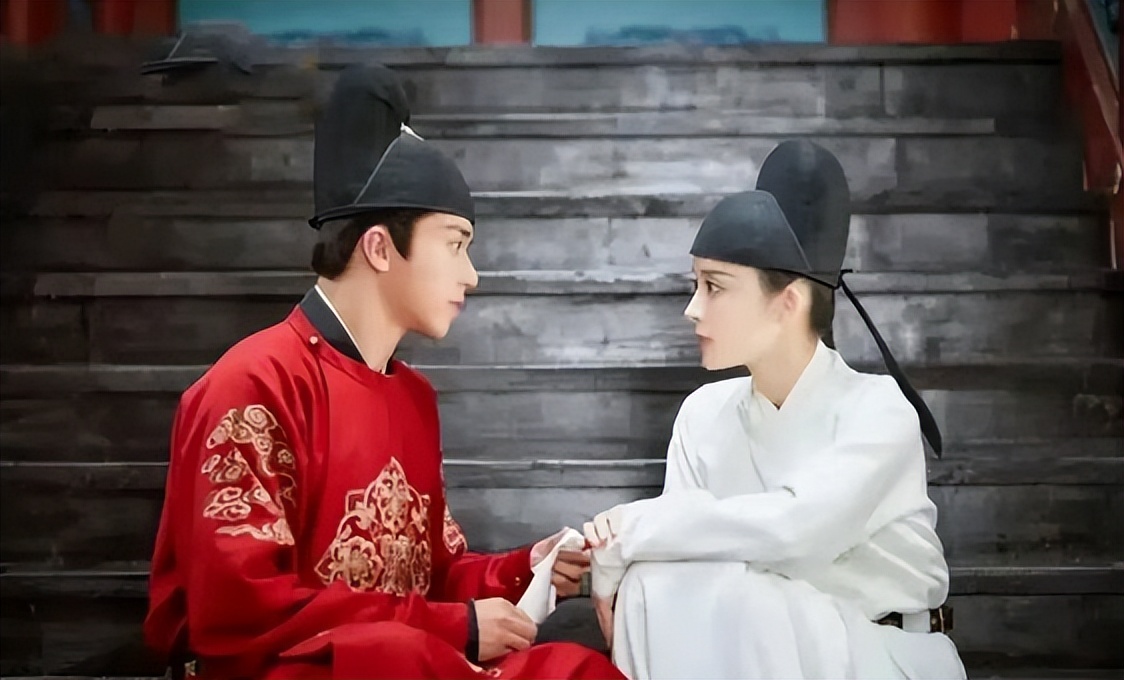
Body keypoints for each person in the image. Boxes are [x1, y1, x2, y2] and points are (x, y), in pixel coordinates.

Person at [144, 64, 623, 680]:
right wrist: (453, 628)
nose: (472, 274)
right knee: (396, 656)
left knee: (573, 668)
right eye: (455, 244)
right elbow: (238, 611)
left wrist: (524, 567)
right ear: (379, 247)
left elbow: (434, 578)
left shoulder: (413, 397)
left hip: (411, 663)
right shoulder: (254, 384)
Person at [582, 140, 967, 679]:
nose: (692, 309)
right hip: (752, 651)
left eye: (714, 287)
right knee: (657, 584)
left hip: (884, 653)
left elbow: (796, 533)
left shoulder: (878, 411)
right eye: (695, 285)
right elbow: (679, 558)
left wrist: (628, 530)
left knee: (751, 600)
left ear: (789, 301)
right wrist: (631, 551)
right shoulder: (702, 414)